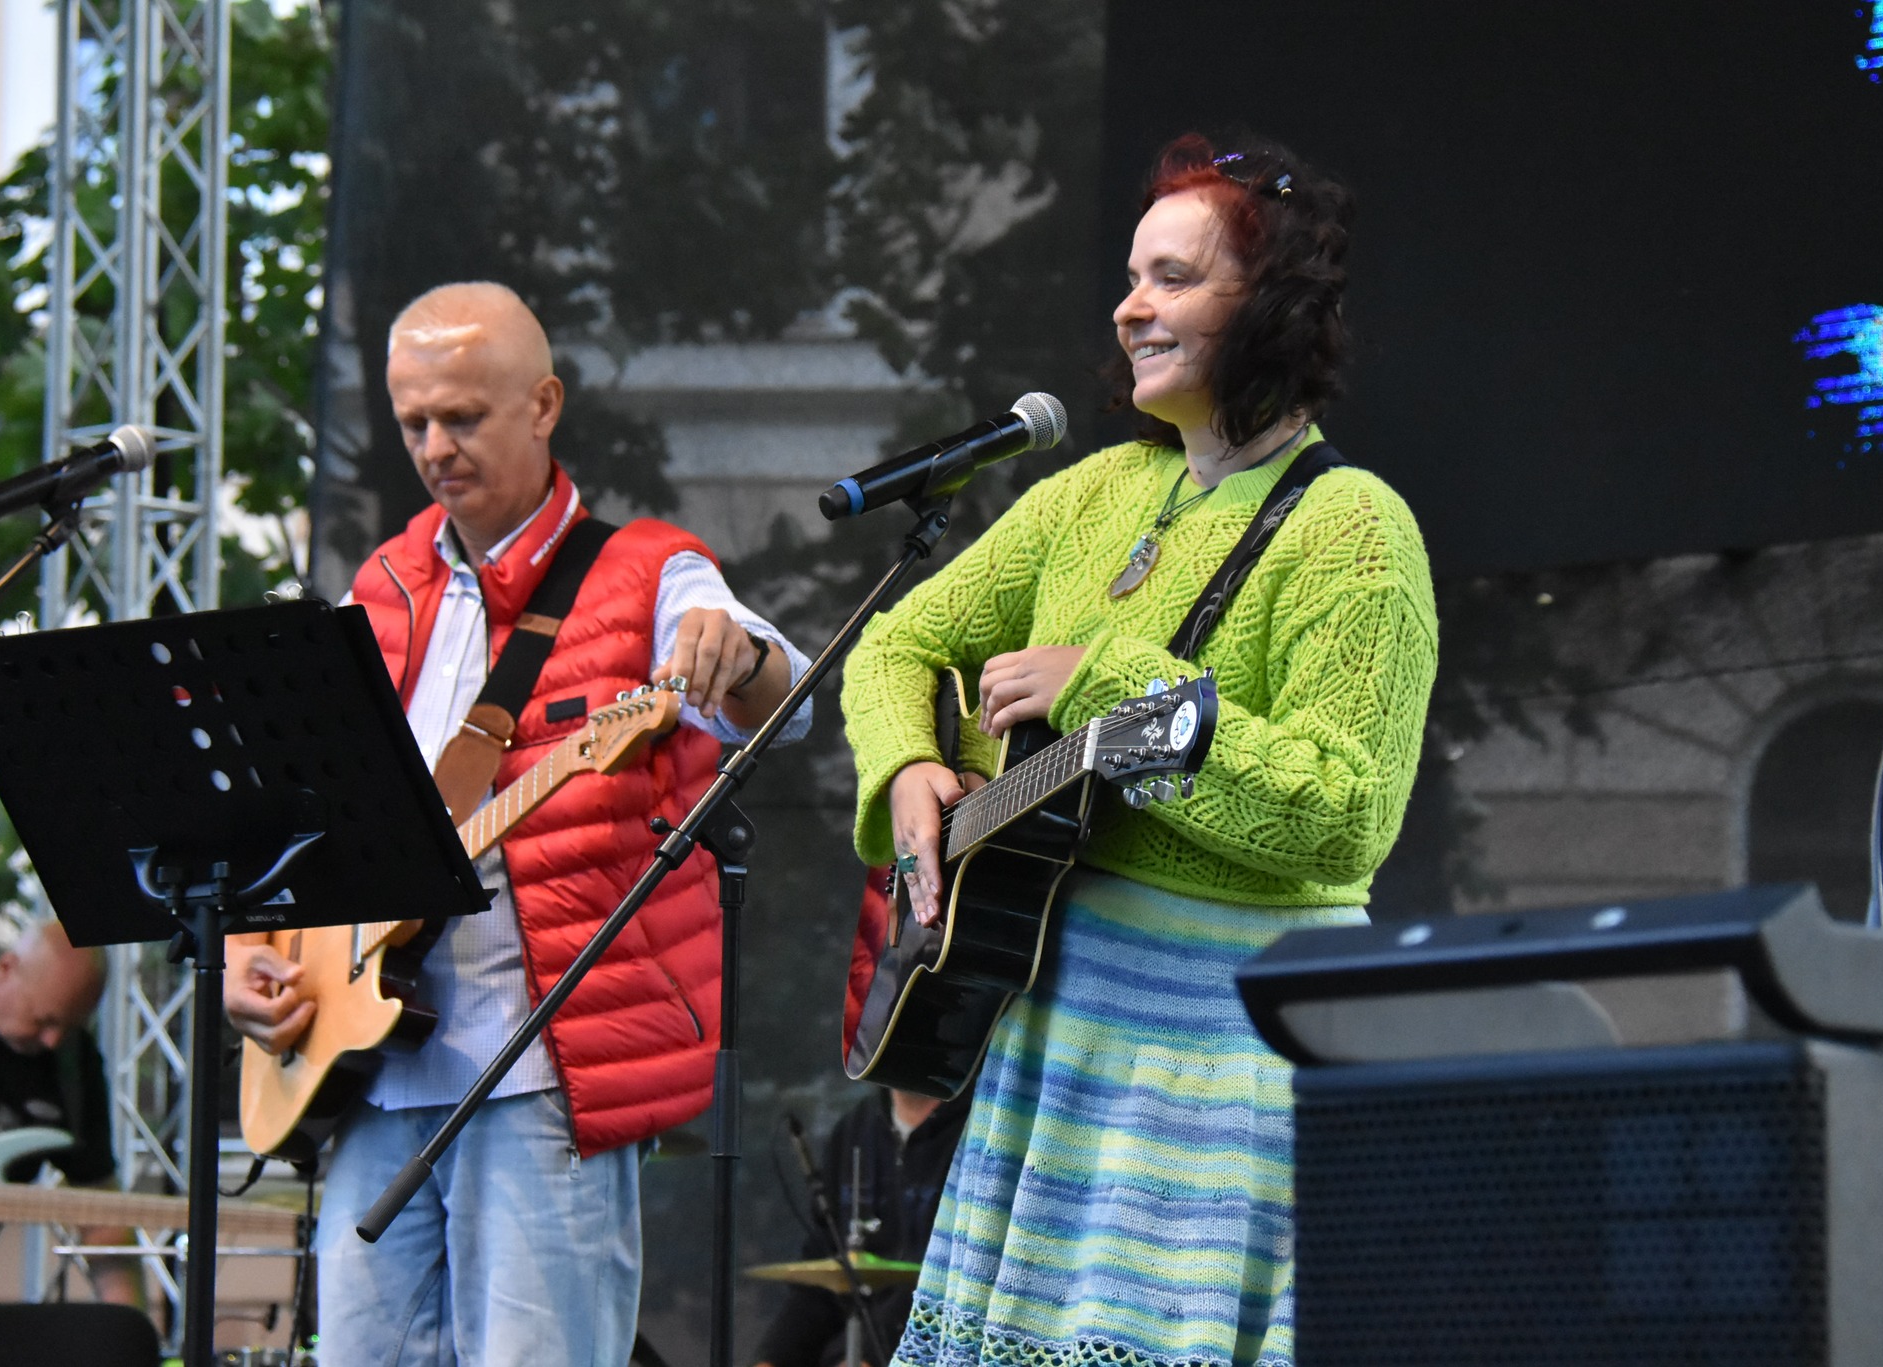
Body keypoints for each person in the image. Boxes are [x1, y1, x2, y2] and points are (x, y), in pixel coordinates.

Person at [839, 133, 1438, 1367]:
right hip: (1057, 1035)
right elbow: (889, 646)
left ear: (1267, 304)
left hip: (1223, 1068)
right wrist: (907, 768)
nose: (1129, 307)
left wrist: (1107, 677)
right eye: (1130, 275)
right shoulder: (1094, 491)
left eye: (1171, 277)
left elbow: (1342, 813)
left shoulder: (1354, 529)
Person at [223, 281, 813, 1365]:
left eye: (463, 416)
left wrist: (738, 657)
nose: (435, 446)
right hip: (365, 1066)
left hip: (538, 1072)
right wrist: (253, 948)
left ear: (543, 403)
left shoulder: (651, 570)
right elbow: (302, 810)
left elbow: (782, 690)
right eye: (413, 423)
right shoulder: (381, 584)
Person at [0, 920, 119, 1305]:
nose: (53, 1040)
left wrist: (140, 1340)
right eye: (44, 1020)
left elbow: (103, 1219)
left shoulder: (76, 1070)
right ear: (7, 968)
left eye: (68, 1027)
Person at [751, 1086, 972, 1367]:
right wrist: (774, 1357)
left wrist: (865, 1355)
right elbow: (822, 1275)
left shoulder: (982, 1131)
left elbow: (955, 1281)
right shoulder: (853, 1130)